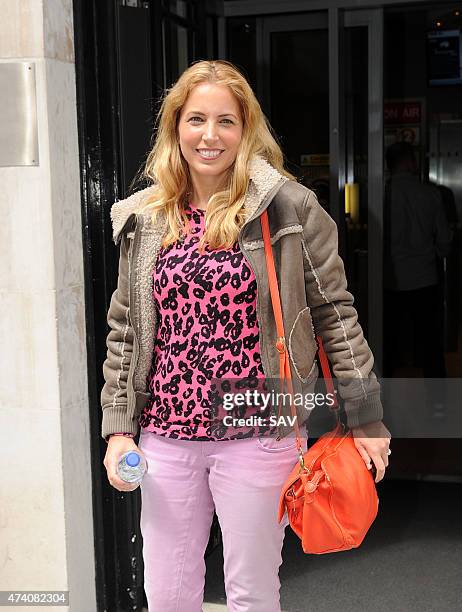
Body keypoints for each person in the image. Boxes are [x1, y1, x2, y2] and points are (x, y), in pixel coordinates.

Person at [101, 60, 391, 612]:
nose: (209, 136)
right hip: (166, 437)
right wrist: (119, 430)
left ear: (246, 129)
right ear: (175, 128)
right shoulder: (146, 217)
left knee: (252, 594)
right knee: (166, 594)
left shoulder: (288, 207)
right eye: (196, 119)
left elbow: (335, 313)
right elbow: (125, 331)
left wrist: (367, 418)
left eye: (225, 121)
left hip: (258, 430)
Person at [383, 141, 453, 380]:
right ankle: (438, 398)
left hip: (391, 279)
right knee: (430, 341)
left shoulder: (383, 195)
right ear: (410, 162)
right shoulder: (431, 194)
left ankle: (383, 394)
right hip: (425, 278)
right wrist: (440, 252)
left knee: (389, 341)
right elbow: (444, 239)